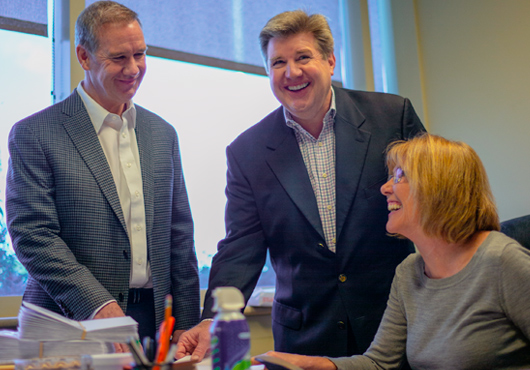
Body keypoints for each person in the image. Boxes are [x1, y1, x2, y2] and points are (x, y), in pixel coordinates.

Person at [176, 10, 425, 360]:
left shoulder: (391, 117)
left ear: (330, 61)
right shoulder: (247, 152)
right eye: (278, 62)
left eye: (303, 57)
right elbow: (240, 249)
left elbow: (434, 203)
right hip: (306, 339)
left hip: (395, 324)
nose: (291, 72)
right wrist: (211, 320)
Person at [6, 1, 199, 352]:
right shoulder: (35, 133)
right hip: (68, 322)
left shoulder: (163, 134)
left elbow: (179, 239)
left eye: (140, 54)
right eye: (118, 58)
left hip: (153, 322)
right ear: (84, 57)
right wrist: (96, 304)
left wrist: (186, 325)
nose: (134, 68)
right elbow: (33, 236)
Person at [258, 133, 530, 369]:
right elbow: (379, 363)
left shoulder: (501, 260)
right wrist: (306, 363)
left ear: (439, 186)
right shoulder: (409, 271)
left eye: (399, 176)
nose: (385, 188)